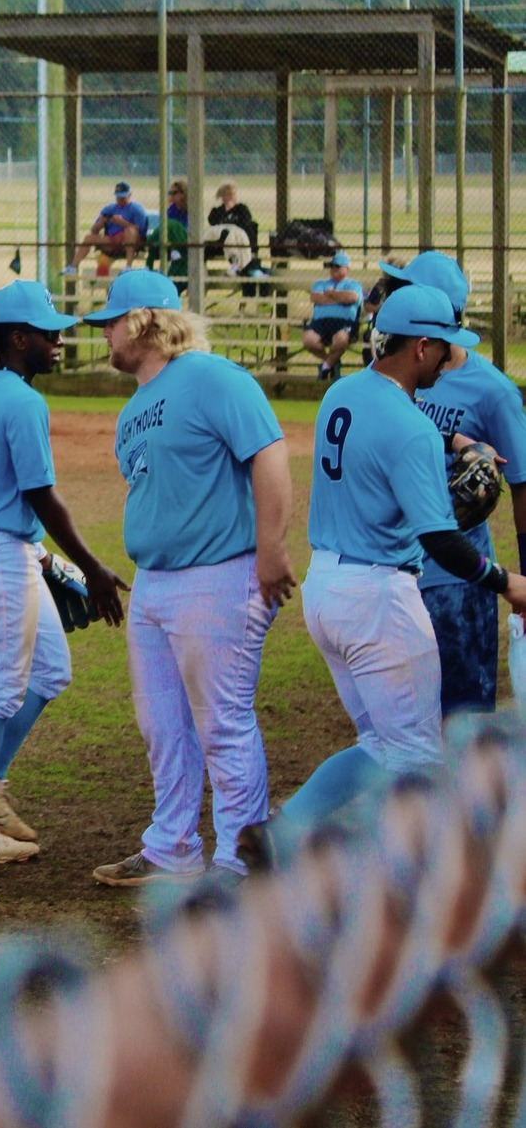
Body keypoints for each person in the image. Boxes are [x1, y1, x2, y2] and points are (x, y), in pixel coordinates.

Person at [261, 286, 526, 847]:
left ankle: (282, 831)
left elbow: (387, 423)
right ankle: (400, 881)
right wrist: (506, 583)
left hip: (325, 591)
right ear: (421, 346)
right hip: (380, 601)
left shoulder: (342, 392)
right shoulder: (411, 431)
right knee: (417, 757)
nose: (449, 360)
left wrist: (453, 439)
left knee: (380, 745)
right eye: (445, 347)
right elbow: (441, 540)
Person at [81, 269, 294, 887]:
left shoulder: (212, 377)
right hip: (155, 581)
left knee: (222, 722)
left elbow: (269, 453)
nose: (104, 334)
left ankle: (239, 860)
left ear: (142, 321)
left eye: (111, 322)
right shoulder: (134, 408)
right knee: (163, 727)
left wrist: (271, 548)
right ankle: (171, 846)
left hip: (218, 575)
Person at [0, 280, 127, 865]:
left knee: (49, 670)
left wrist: (44, 556)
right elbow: (40, 495)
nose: (58, 343)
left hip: (1, 545)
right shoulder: (23, 402)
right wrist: (93, 568)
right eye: (50, 334)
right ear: (19, 338)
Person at [375, 252, 526, 718]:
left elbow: (522, 485)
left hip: (457, 580)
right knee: (403, 720)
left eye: (406, 291)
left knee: (464, 721)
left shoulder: (493, 392)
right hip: (391, 573)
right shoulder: (389, 374)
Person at [302, 251, 363, 381]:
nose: (334, 269)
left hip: (343, 322)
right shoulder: (320, 284)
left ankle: (325, 367)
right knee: (308, 340)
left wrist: (331, 294)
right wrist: (340, 298)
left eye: (338, 266)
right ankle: (330, 362)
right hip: (320, 322)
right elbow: (316, 298)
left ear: (346, 268)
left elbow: (352, 297)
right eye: (332, 266)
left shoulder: (354, 285)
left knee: (341, 340)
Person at [66, 181, 148, 272]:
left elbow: (140, 231)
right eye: (118, 197)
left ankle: (128, 266)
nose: (120, 200)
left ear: (129, 195)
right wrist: (101, 223)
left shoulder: (136, 209)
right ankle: (73, 267)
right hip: (112, 240)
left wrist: (123, 223)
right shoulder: (109, 209)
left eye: (123, 198)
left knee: (130, 231)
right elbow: (94, 231)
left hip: (130, 241)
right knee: (89, 238)